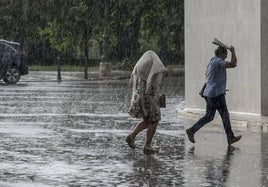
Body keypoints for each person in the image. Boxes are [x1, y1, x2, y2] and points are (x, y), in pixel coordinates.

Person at [186, 45, 241, 146]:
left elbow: (207, 74)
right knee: (225, 115)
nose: (226, 56)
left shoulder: (212, 60)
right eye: (226, 54)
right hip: (216, 94)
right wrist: (233, 51)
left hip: (209, 93)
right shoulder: (219, 62)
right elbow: (234, 64)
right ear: (221, 53)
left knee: (209, 116)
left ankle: (192, 130)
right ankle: (230, 137)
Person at [126, 50, 169, 153]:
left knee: (146, 121)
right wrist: (164, 72)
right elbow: (153, 83)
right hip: (149, 97)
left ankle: (132, 136)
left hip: (139, 96)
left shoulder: (139, 69)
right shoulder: (157, 65)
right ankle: (147, 145)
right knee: (154, 120)